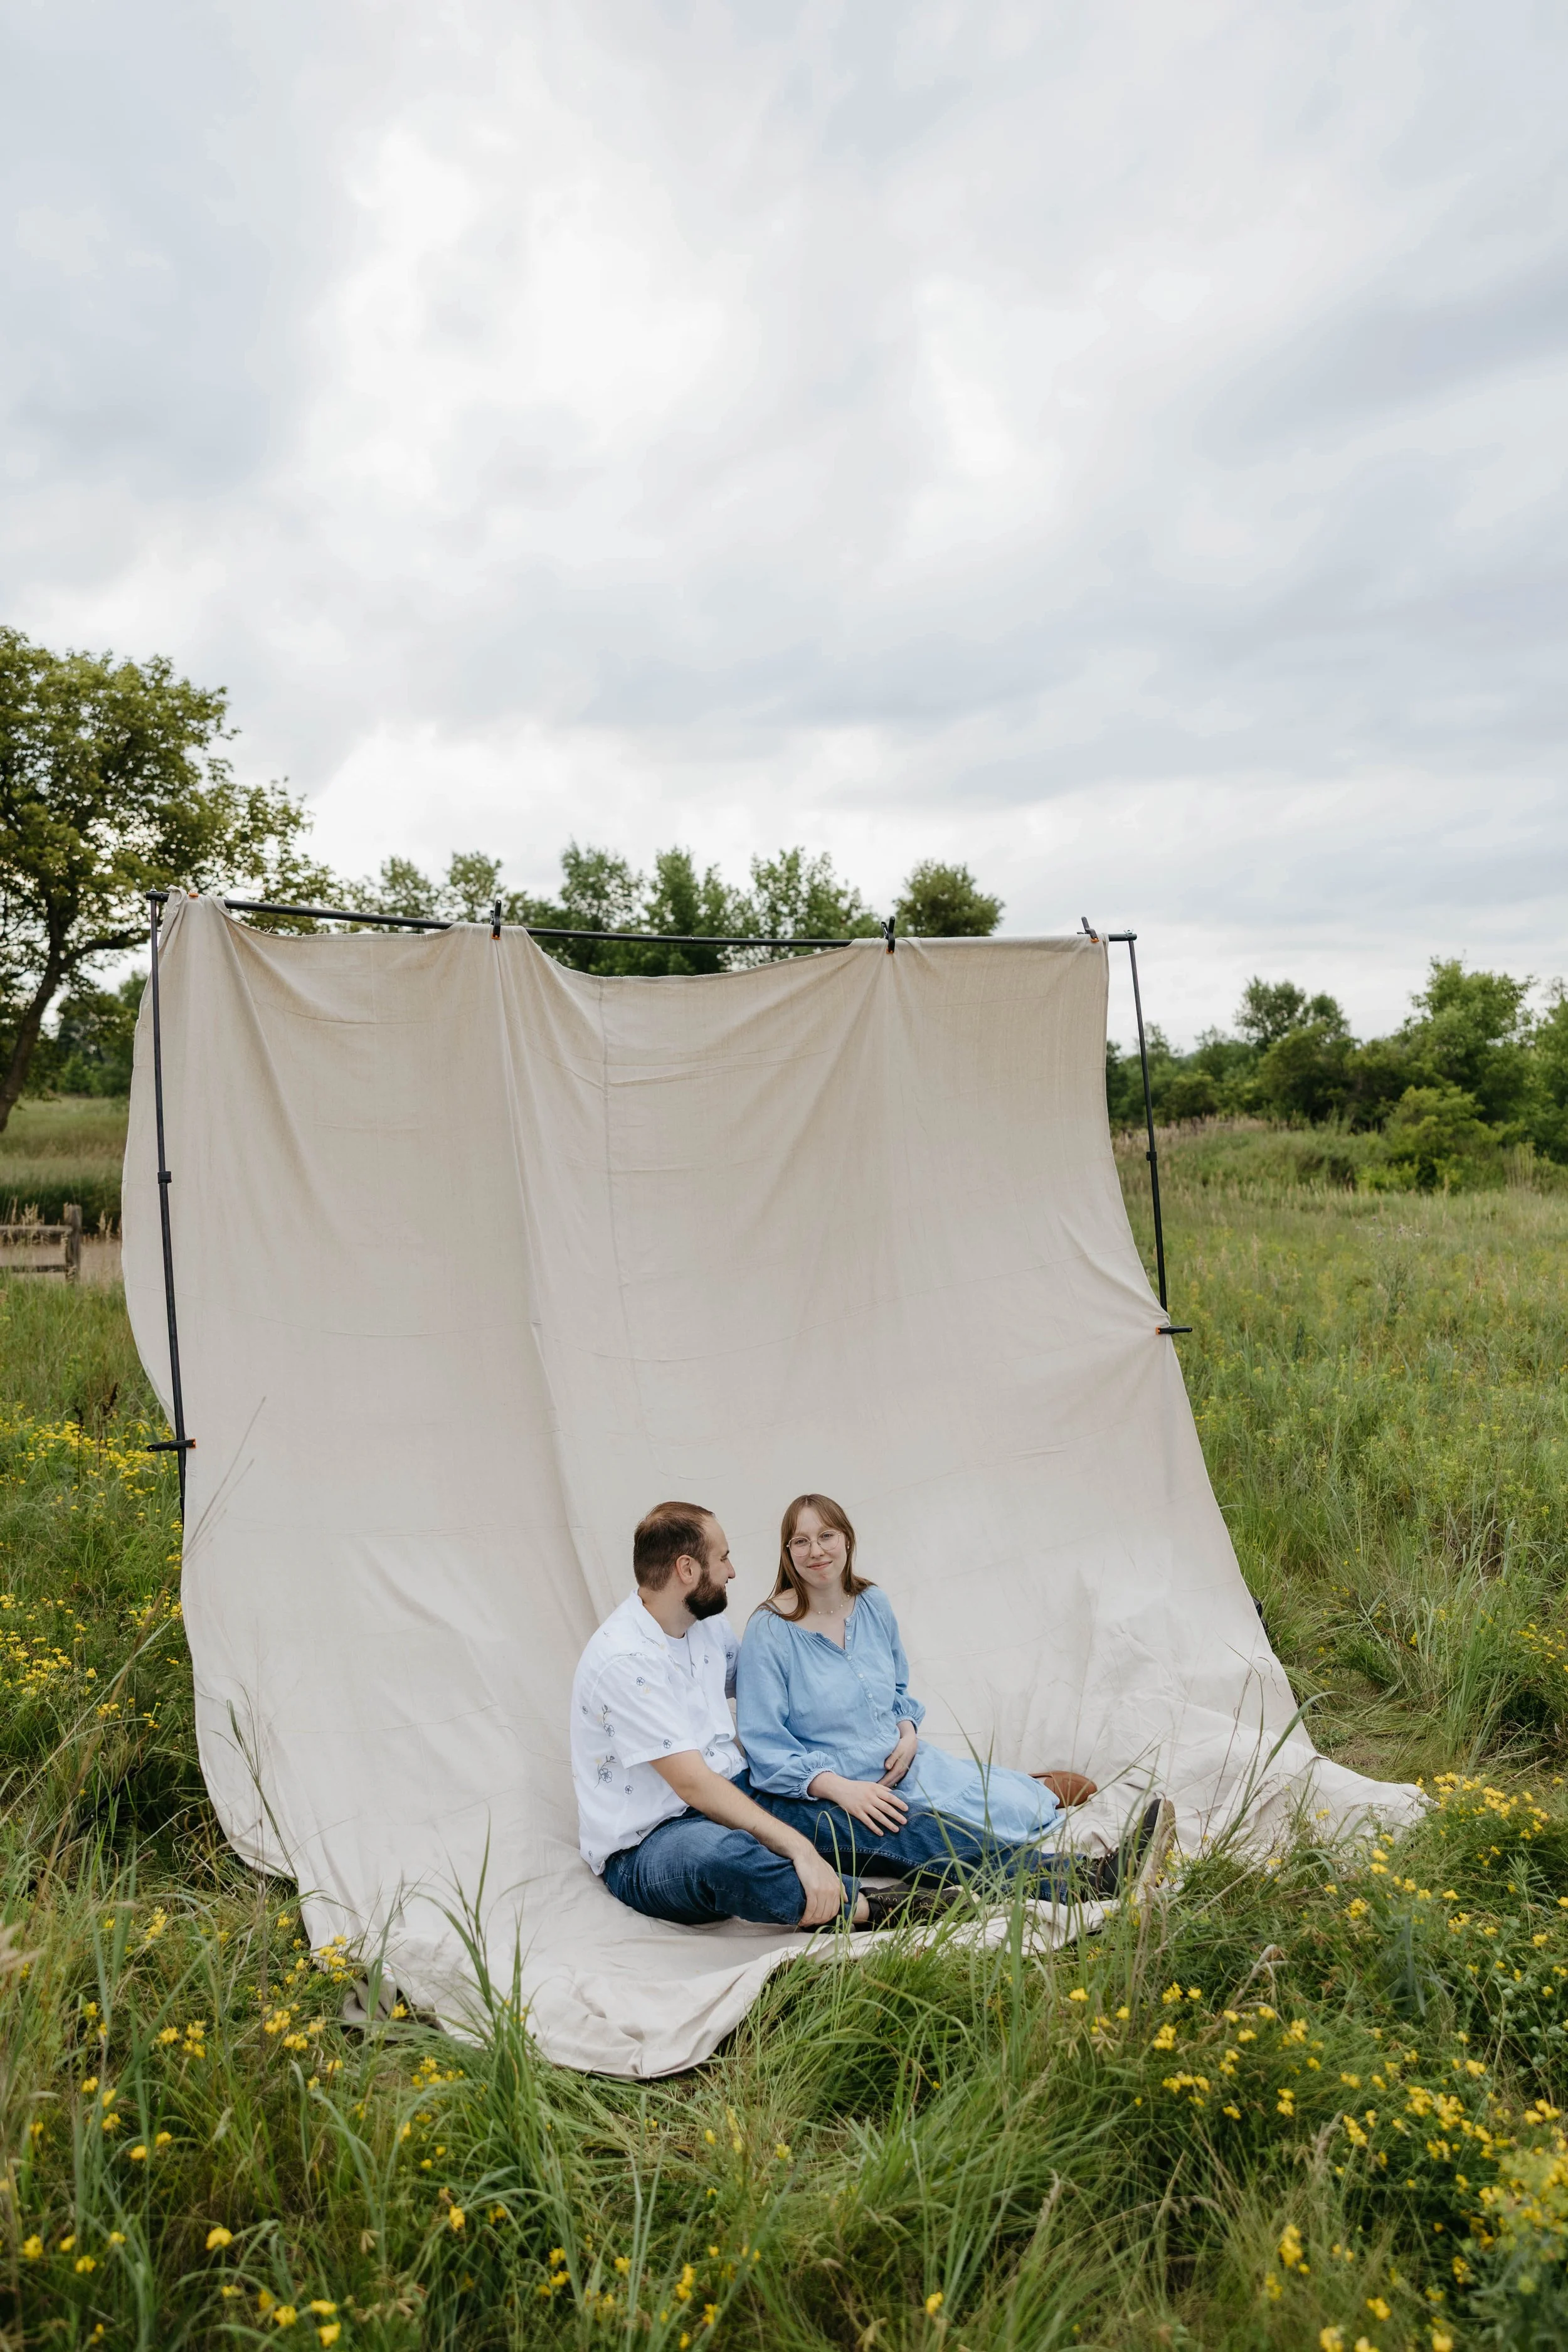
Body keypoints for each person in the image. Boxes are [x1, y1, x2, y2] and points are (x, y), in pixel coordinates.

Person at [572, 1500, 1067, 1932]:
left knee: (885, 1817)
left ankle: (1060, 1876)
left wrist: (862, 1746)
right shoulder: (624, 1661)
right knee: (726, 1857)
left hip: (738, 1792)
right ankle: (872, 1908)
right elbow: (694, 1786)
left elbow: (775, 1690)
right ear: (686, 1569)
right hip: (652, 1842)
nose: (732, 1570)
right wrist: (799, 1846)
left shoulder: (705, 1629)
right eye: (722, 1557)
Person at [736, 1493, 1141, 1872]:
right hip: (845, 1787)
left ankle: (1032, 1787)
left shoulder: (872, 1603)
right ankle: (1040, 1823)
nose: (816, 1551)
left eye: (826, 1535)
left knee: (1021, 1811)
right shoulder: (771, 1630)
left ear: (847, 1539)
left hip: (903, 1759)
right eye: (801, 1541)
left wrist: (908, 1734)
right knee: (960, 1845)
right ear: (788, 1553)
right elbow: (765, 1742)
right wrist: (839, 1789)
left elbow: (896, 1689)